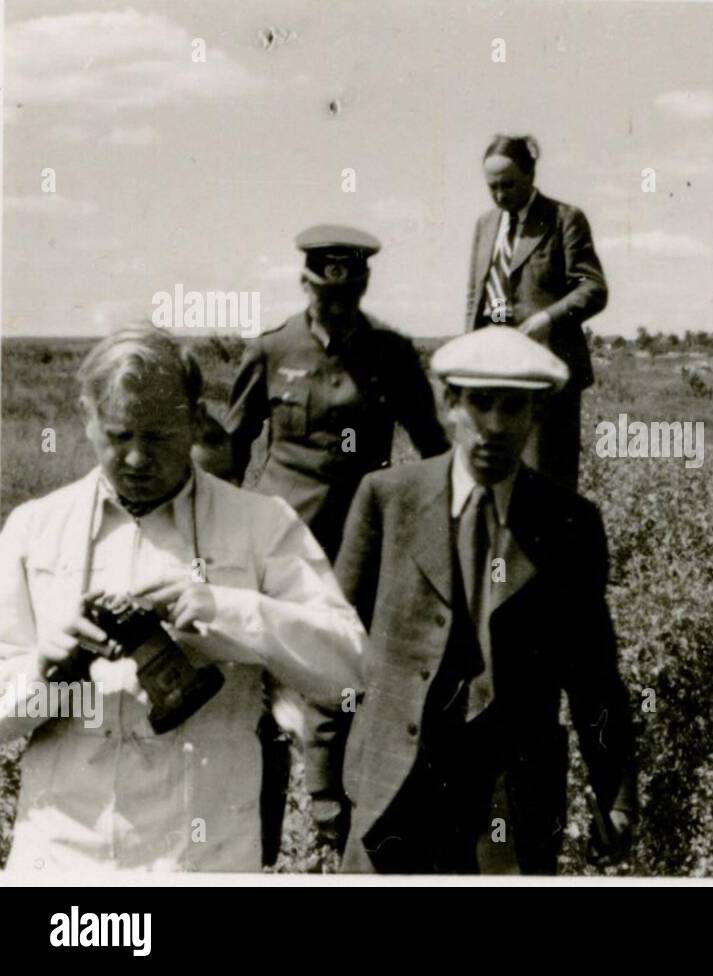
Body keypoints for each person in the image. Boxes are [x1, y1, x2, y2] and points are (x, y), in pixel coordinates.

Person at [0, 326, 365, 872]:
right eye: (119, 436)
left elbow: (350, 674)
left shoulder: (262, 527)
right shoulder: (35, 530)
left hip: (201, 861)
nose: (138, 459)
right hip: (60, 863)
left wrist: (230, 613)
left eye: (161, 436)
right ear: (87, 417)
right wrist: (43, 666)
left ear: (197, 419)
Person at [336, 326, 636, 874]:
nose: (495, 426)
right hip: (391, 795)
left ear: (537, 413)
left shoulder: (570, 525)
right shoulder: (387, 501)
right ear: (450, 404)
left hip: (511, 806)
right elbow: (334, 649)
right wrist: (322, 787)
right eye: (479, 403)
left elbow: (595, 678)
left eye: (514, 407)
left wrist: (614, 794)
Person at [223, 225, 447, 862]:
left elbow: (433, 448)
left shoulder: (394, 354)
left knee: (346, 677)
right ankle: (254, 842)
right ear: (306, 285)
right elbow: (232, 450)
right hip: (278, 543)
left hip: (361, 546)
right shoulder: (272, 351)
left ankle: (335, 828)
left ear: (364, 287)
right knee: (259, 688)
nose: (338, 307)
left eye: (350, 295)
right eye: (326, 294)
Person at [466, 135, 608, 490]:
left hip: (547, 377)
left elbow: (594, 288)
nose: (500, 195)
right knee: (494, 480)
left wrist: (548, 319)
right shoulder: (485, 225)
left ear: (531, 175)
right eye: (492, 187)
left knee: (546, 486)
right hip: (493, 374)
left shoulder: (564, 219)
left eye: (508, 185)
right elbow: (475, 297)